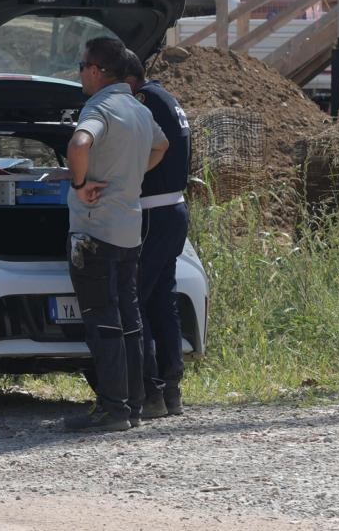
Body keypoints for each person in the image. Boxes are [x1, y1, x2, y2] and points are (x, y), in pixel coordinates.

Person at [63, 37, 167, 432]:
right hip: (129, 230)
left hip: (95, 229)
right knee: (129, 318)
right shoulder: (137, 109)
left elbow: (79, 142)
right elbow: (162, 146)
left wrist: (80, 183)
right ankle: (133, 407)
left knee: (101, 318)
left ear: (94, 70)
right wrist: (131, 177)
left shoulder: (100, 106)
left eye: (81, 66)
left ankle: (112, 408)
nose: (80, 74)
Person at [124, 50, 191, 418]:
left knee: (138, 299)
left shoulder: (144, 101)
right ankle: (171, 389)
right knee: (163, 299)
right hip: (173, 210)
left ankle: (150, 390)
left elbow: (151, 149)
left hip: (153, 212)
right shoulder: (165, 96)